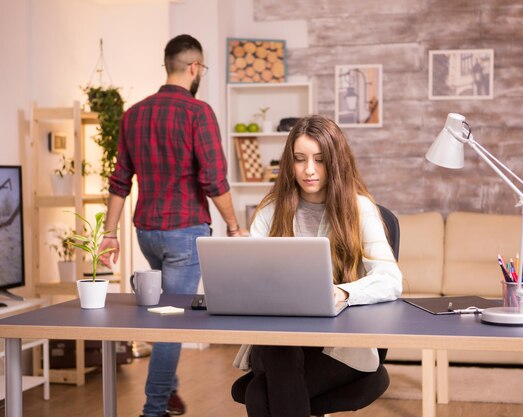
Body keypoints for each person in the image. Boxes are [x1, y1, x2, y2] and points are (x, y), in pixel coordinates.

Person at [98, 34, 245, 417]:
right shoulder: (198, 113)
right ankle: (155, 408)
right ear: (194, 67)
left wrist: (108, 234)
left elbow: (120, 180)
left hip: (147, 232)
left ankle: (170, 390)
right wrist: (233, 226)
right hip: (184, 230)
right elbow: (214, 179)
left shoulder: (134, 114)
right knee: (173, 322)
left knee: (166, 308)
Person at [232, 115, 402, 417]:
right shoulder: (272, 209)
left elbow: (390, 279)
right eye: (299, 159)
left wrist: (343, 293)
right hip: (277, 341)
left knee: (260, 393)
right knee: (281, 350)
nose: (309, 170)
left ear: (335, 162)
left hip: (335, 346)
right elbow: (245, 274)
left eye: (319, 160)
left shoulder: (359, 208)